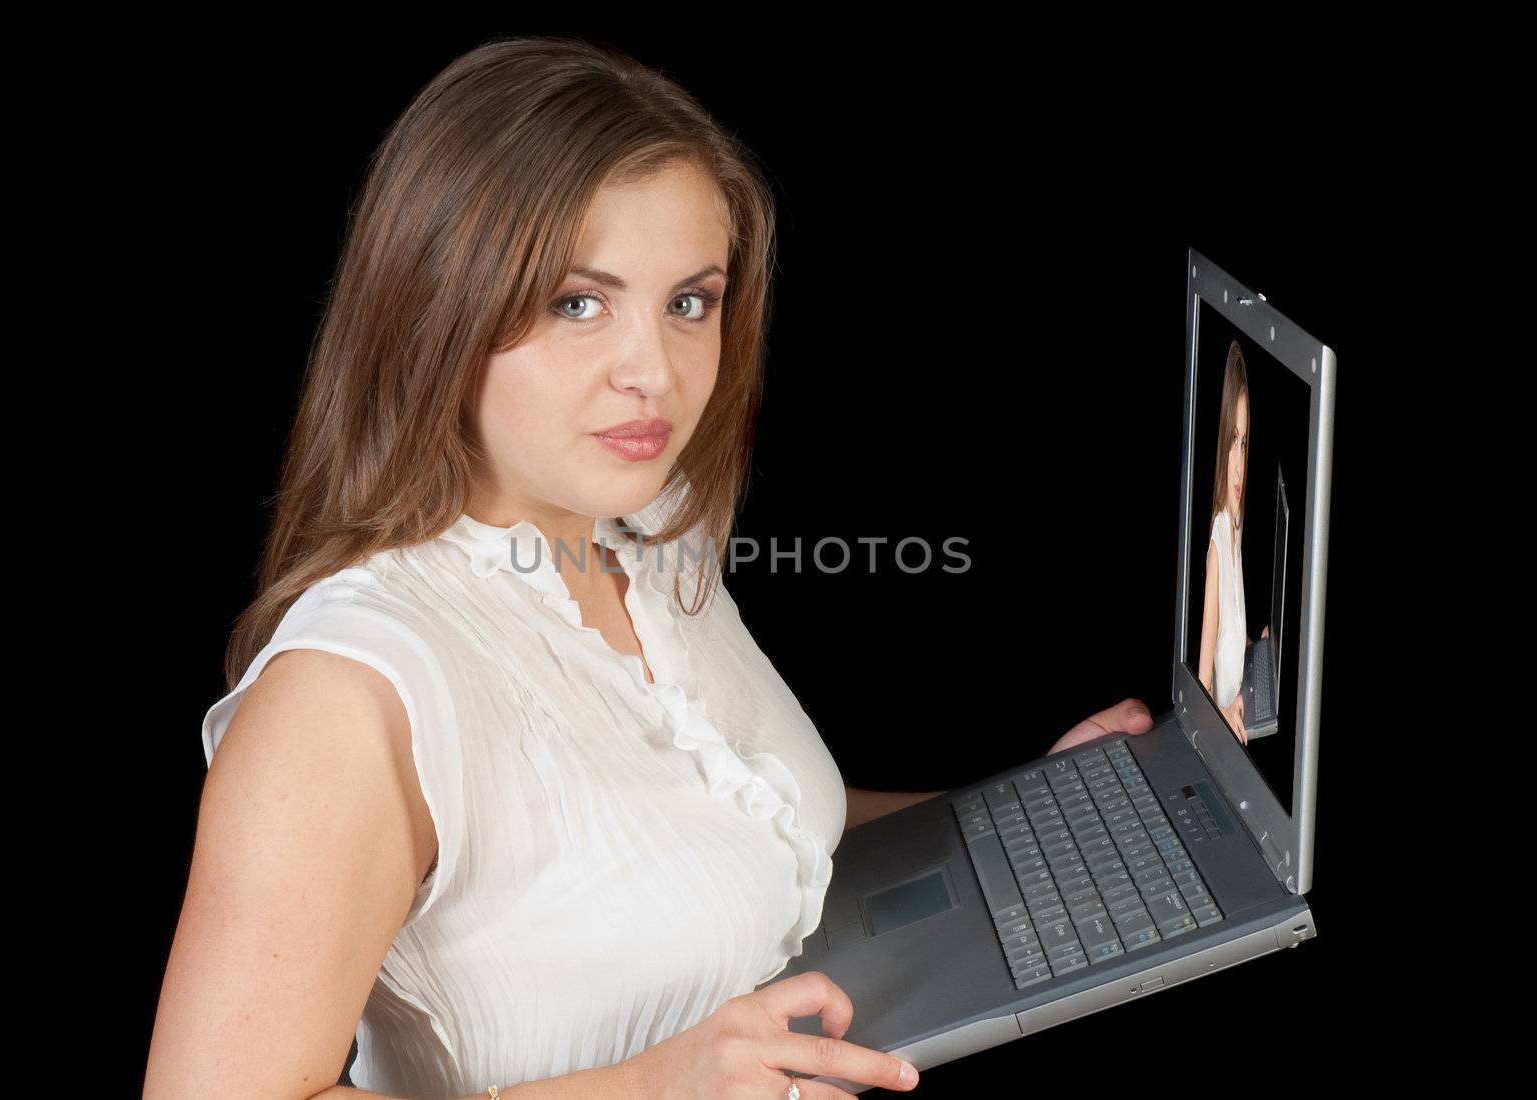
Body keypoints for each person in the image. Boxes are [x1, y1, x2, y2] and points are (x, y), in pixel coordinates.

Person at [145, 35, 1152, 1100]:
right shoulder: (346, 696)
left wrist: (1030, 805)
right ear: (435, 308)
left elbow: (733, 824)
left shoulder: (646, 531)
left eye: (689, 301)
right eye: (579, 302)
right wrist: (642, 1088)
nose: (655, 372)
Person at [1197, 341, 1270, 747]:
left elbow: (1228, 634)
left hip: (1238, 707)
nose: (1239, 462)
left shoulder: (1236, 529)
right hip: (1219, 740)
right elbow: (1203, 679)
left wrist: (1255, 649)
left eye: (1244, 443)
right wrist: (1222, 715)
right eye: (1231, 443)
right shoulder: (1218, 545)